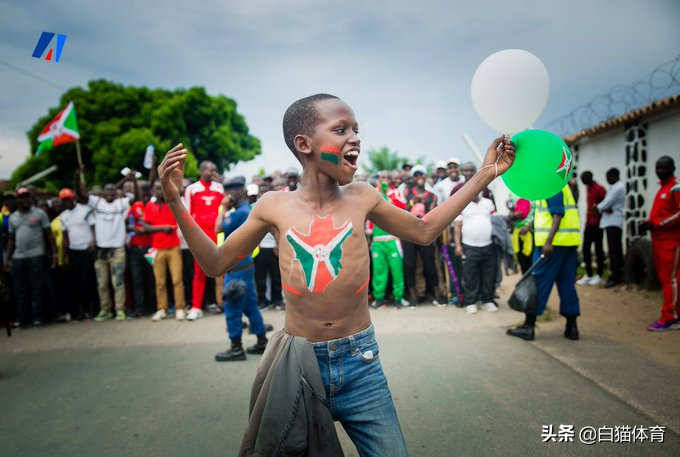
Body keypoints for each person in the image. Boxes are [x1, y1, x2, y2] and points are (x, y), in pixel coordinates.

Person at [158, 93, 515, 455]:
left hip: (361, 366)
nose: (355, 138)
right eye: (341, 129)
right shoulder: (273, 206)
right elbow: (216, 263)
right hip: (297, 367)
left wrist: (485, 174)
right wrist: (175, 201)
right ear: (304, 144)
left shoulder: (363, 197)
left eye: (357, 130)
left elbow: (424, 230)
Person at [507, 184, 581, 341]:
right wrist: (529, 226)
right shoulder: (562, 186)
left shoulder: (551, 186)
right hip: (568, 244)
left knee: (538, 284)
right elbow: (547, 214)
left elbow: (557, 215)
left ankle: (529, 326)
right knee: (567, 285)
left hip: (551, 246)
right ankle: (572, 327)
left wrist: (549, 241)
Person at [214, 177, 269, 361]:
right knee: (250, 305)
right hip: (245, 266)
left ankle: (236, 348)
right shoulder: (244, 210)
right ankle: (262, 341)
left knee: (232, 306)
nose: (226, 196)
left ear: (238, 192)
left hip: (236, 268)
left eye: (229, 192)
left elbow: (218, 228)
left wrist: (222, 207)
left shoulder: (239, 212)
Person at [78, 174, 137, 321]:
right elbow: (80, 195)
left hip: (117, 250)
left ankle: (120, 310)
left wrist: (134, 180)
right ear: (103, 193)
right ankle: (105, 310)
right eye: (107, 190)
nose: (110, 192)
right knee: (102, 283)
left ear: (116, 192)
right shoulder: (97, 203)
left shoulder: (120, 203)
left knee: (118, 282)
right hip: (101, 251)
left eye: (112, 190)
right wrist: (77, 178)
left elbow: (135, 197)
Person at [4, 188, 56, 327]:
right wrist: (7, 259)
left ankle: (37, 317)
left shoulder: (39, 213)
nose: (24, 200)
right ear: (18, 200)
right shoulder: (13, 217)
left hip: (36, 255)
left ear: (30, 198)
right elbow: (11, 239)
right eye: (21, 197)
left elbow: (49, 235)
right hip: (18, 257)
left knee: (36, 288)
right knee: (20, 289)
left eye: (27, 197)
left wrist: (53, 253)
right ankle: (22, 319)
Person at [640, 156, 679, 331]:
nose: (660, 171)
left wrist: (656, 224)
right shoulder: (663, 188)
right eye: (658, 167)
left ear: (673, 168)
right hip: (659, 242)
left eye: (664, 168)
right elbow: (661, 213)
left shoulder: (675, 188)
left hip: (671, 243)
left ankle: (670, 317)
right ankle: (673, 313)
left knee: (670, 280)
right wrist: (648, 223)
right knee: (667, 279)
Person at [184, 161, 224, 320]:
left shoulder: (219, 188)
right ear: (201, 170)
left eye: (214, 169)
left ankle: (223, 303)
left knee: (221, 271)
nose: (212, 171)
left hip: (217, 235)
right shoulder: (191, 189)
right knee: (199, 273)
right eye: (209, 169)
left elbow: (224, 209)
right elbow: (187, 214)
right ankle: (196, 307)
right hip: (200, 236)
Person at [142, 182, 186, 322]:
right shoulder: (149, 206)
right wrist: (162, 228)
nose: (159, 191)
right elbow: (145, 226)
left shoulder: (173, 204)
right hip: (157, 248)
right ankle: (162, 308)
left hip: (173, 247)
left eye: (161, 188)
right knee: (159, 282)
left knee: (177, 280)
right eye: (156, 189)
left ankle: (180, 308)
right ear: (153, 191)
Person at [367, 173, 409, 309]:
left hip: (392, 239)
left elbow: (403, 207)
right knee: (379, 271)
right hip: (378, 241)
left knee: (397, 270)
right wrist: (369, 235)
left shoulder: (395, 192)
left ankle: (399, 297)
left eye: (387, 178)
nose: (384, 180)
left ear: (390, 181)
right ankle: (379, 298)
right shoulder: (373, 193)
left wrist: (389, 196)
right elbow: (368, 214)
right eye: (382, 178)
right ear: (379, 180)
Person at [454, 192, 498, 314]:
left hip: (488, 245)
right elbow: (457, 226)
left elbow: (495, 222)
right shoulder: (463, 204)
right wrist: (458, 245)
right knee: (470, 276)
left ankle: (488, 301)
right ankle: (470, 302)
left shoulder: (488, 203)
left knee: (489, 275)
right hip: (469, 246)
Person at [402, 165, 440, 306]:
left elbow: (434, 214)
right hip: (407, 233)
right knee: (409, 264)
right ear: (413, 177)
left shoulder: (432, 195)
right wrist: (413, 202)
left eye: (422, 174)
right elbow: (400, 211)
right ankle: (413, 295)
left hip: (425, 233)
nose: (419, 177)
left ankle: (436, 294)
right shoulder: (406, 192)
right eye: (416, 175)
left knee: (429, 263)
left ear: (425, 176)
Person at [60, 186, 98, 320]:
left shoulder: (84, 210)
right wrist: (63, 257)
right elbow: (65, 238)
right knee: (77, 283)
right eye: (64, 200)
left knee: (88, 280)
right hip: (73, 251)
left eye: (68, 199)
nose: (67, 202)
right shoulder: (63, 216)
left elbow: (94, 228)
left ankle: (92, 310)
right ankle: (81, 311)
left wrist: (93, 241)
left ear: (73, 199)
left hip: (87, 250)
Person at [596, 168, 625, 288]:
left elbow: (604, 204)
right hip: (610, 221)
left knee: (614, 250)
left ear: (613, 176)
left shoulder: (618, 187)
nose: (607, 180)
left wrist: (597, 207)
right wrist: (602, 207)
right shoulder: (615, 187)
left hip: (614, 221)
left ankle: (615, 276)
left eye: (608, 177)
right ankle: (615, 274)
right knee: (614, 249)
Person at [576, 171, 606, 286]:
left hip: (598, 224)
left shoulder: (599, 189)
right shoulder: (587, 188)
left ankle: (599, 274)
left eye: (584, 180)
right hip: (588, 223)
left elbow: (606, 203)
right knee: (585, 249)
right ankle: (588, 274)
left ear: (589, 178)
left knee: (598, 250)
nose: (582, 182)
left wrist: (601, 213)